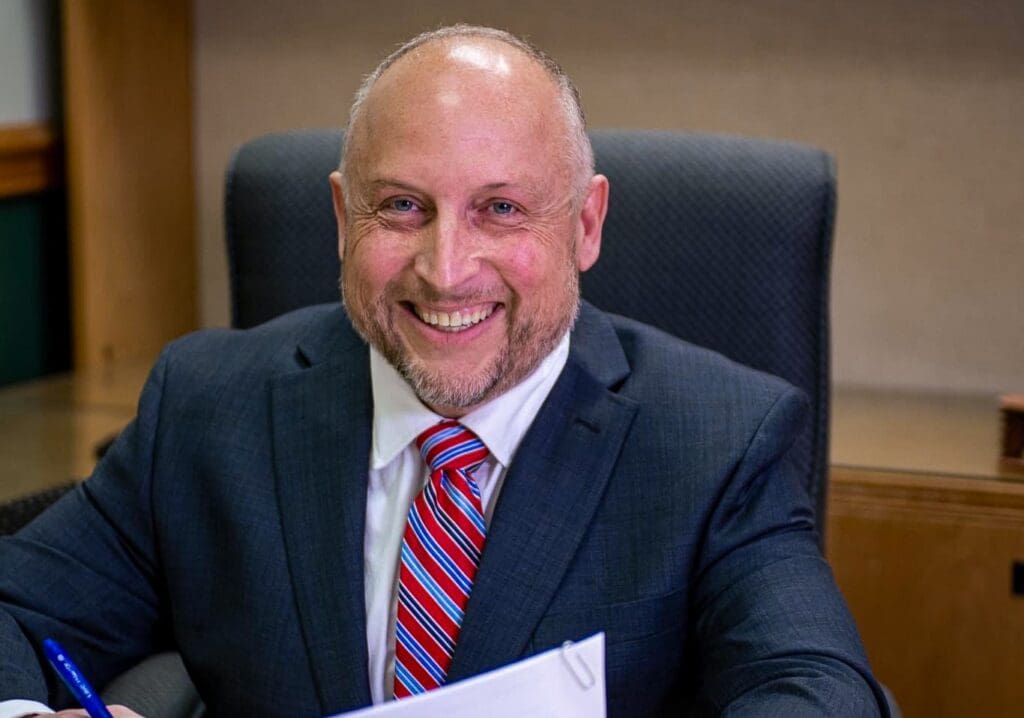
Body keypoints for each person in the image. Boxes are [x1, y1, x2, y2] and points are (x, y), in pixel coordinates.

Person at [0, 25, 888, 717]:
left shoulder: (720, 438)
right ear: (344, 215)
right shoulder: (208, 405)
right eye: (401, 207)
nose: (445, 267)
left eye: (500, 209)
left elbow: (818, 688)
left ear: (585, 224)